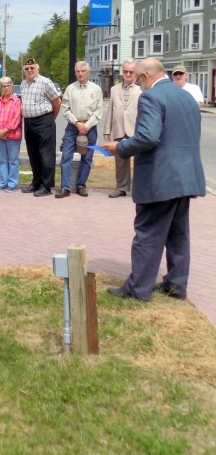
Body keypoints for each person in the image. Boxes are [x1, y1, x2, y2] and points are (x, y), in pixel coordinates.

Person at [103, 58, 205, 302]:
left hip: (160, 177)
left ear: (146, 77)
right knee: (178, 234)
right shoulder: (186, 97)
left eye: (138, 79)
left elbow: (148, 137)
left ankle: (138, 288)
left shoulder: (151, 97)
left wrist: (120, 147)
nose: (139, 85)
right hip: (186, 176)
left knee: (148, 232)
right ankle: (176, 284)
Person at [56, 61, 103, 198]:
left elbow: (99, 111)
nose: (80, 73)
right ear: (75, 72)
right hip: (73, 126)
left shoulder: (96, 89)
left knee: (87, 158)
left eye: (83, 71)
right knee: (66, 156)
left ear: (88, 72)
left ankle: (81, 185)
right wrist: (77, 123)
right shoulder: (70, 89)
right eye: (78, 71)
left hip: (90, 127)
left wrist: (86, 126)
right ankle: (65, 187)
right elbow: (65, 109)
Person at [20, 58, 61, 197]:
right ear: (24, 70)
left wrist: (50, 118)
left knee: (46, 155)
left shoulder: (45, 82)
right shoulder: (23, 84)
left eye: (32, 68)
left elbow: (57, 101)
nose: (30, 70)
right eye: (27, 68)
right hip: (29, 123)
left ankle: (46, 186)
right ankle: (36, 183)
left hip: (44, 122)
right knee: (33, 155)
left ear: (38, 68)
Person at [104, 60, 141, 198]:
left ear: (135, 73)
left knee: (140, 161)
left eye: (131, 72)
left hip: (136, 131)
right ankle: (121, 187)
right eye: (125, 71)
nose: (128, 74)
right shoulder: (114, 89)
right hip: (119, 129)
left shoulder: (142, 90)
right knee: (120, 161)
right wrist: (107, 130)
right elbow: (110, 112)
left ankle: (139, 188)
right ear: (122, 72)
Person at [0, 77, 22, 192]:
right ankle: (3, 182)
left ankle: (12, 184)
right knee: (2, 160)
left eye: (8, 85)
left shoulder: (17, 101)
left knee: (13, 160)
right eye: (3, 86)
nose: (6, 87)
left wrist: (5, 130)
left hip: (13, 136)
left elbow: (17, 118)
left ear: (12, 86)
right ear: (1, 88)